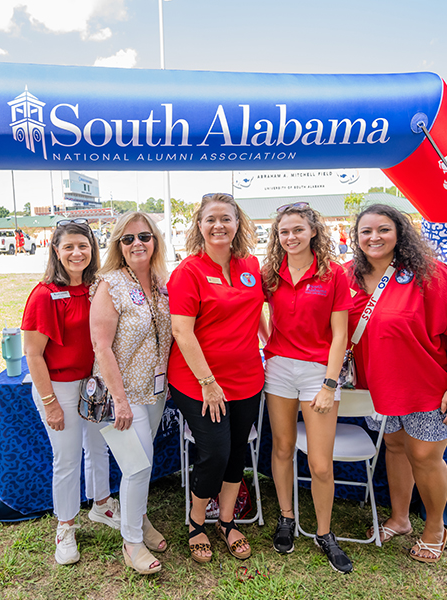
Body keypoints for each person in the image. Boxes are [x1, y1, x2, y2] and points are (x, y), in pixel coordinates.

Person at [345, 204, 447, 564]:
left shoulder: (429, 274)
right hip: (377, 387)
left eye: (383, 229)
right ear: (355, 238)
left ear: (400, 233)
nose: (374, 237)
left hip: (427, 387)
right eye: (366, 231)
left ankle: (435, 527)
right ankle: (400, 519)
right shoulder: (348, 276)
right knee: (395, 448)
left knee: (425, 455)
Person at [168, 192, 266, 563]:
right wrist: (208, 383)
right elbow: (182, 331)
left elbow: (256, 311)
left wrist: (270, 343)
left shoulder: (251, 266)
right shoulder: (188, 271)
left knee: (236, 451)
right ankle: (196, 522)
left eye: (226, 218)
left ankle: (226, 521)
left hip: (247, 378)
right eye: (211, 219)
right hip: (198, 381)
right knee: (214, 452)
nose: (218, 225)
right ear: (199, 225)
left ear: (238, 224)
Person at [21, 218, 120, 566]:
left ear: (92, 249)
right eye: (69, 246)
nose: (77, 252)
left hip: (94, 384)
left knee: (99, 448)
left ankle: (103, 504)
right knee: (67, 459)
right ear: (56, 251)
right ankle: (65, 526)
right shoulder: (44, 295)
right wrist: (50, 403)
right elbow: (33, 354)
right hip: (59, 388)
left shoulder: (98, 287)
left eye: (83, 245)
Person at [261, 203, 354, 573]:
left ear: (313, 230)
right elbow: (256, 314)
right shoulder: (270, 273)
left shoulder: (333, 274)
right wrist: (272, 343)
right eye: (284, 231)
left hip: (319, 373)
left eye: (298, 229)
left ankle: (325, 533)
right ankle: (286, 518)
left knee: (319, 464)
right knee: (282, 448)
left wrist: (330, 384)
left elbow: (340, 335)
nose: (291, 237)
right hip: (279, 369)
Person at [90, 212, 173, 575]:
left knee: (144, 464)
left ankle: (139, 521)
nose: (137, 243)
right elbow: (101, 347)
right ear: (118, 247)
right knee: (137, 467)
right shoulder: (109, 284)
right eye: (128, 239)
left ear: (155, 240)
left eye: (144, 236)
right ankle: (132, 542)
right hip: (122, 396)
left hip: (155, 393)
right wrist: (120, 400)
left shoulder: (162, 282)